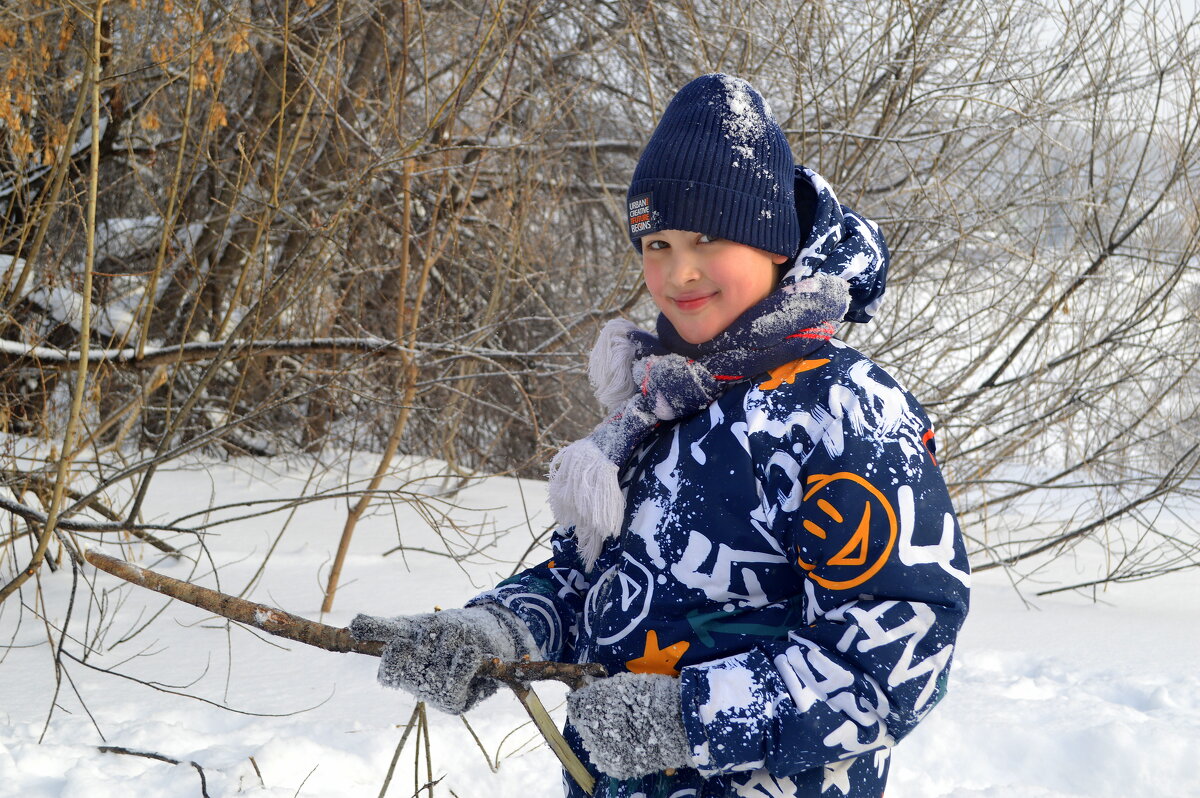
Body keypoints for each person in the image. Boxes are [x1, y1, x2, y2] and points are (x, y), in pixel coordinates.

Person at [351, 74, 971, 798]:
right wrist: (494, 634)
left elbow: (899, 652)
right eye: (657, 242)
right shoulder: (660, 405)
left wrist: (691, 719)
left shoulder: (843, 411)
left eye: (709, 237)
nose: (679, 272)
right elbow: (594, 585)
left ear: (774, 245)